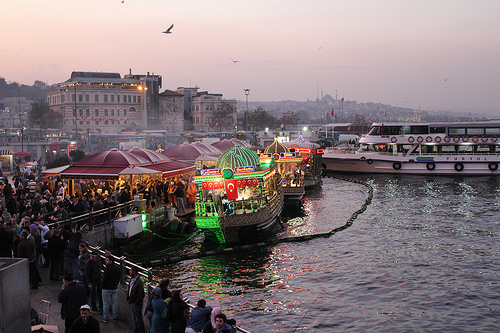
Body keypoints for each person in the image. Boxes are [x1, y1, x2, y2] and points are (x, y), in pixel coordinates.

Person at [101, 256, 120, 323]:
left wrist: (102, 286)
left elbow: (104, 279)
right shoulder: (117, 268)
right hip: (114, 287)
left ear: (111, 261)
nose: (105, 261)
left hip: (106, 288)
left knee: (106, 303)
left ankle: (105, 317)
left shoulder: (107, 269)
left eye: (107, 260)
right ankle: (115, 317)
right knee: (114, 302)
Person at [127, 266, 146, 333]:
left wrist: (136, 302)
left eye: (131, 270)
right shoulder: (132, 279)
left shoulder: (139, 282)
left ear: (134, 272)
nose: (129, 272)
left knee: (138, 319)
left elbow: (141, 294)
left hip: (136, 303)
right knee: (136, 318)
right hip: (133, 302)